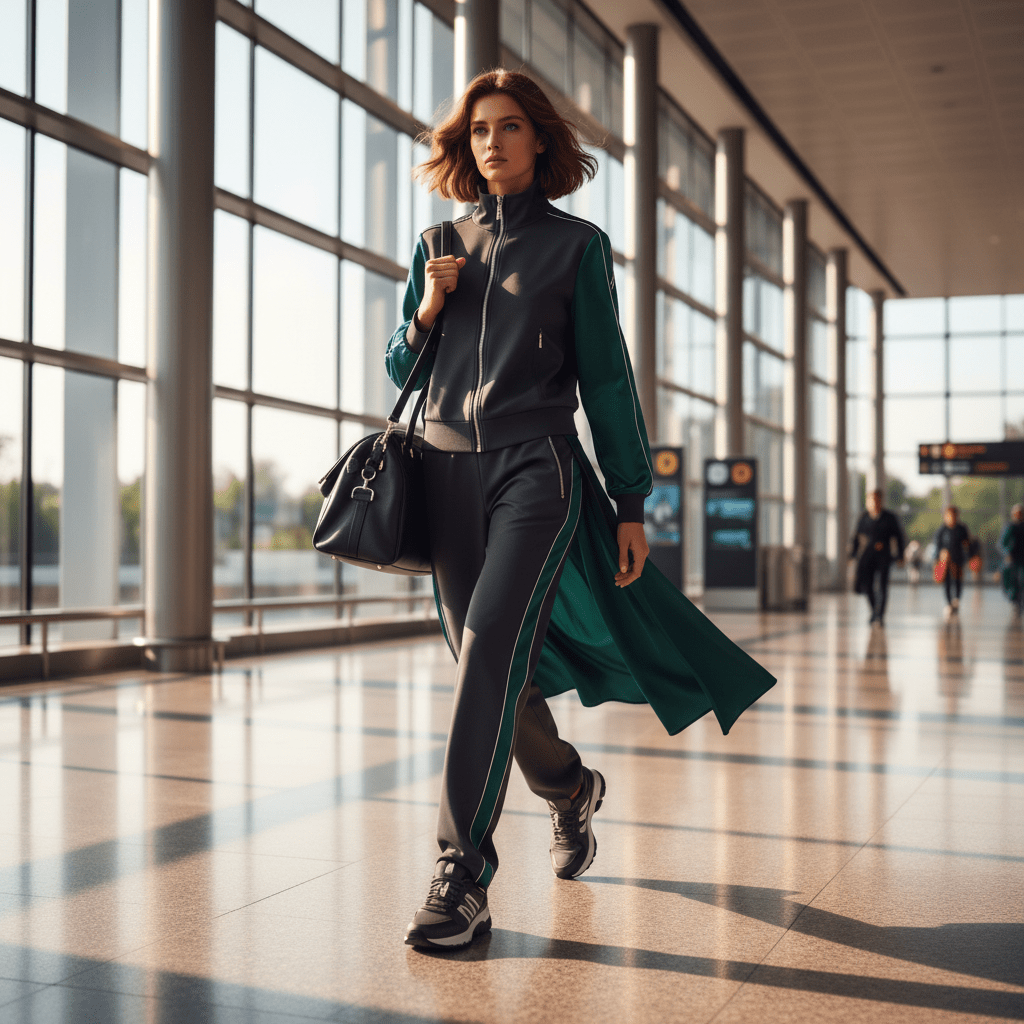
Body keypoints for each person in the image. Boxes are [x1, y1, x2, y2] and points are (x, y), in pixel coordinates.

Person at [385, 70, 776, 950]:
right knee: (490, 670)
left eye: (509, 126)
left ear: (539, 140)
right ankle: (569, 788)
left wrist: (632, 500)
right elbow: (399, 368)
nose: (492, 142)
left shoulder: (576, 247)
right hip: (444, 476)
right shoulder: (437, 243)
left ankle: (461, 876)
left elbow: (606, 380)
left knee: (490, 645)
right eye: (479, 130)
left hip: (538, 471)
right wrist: (427, 311)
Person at [849, 489, 906, 625]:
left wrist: (900, 556)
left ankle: (880, 615)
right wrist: (852, 555)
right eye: (871, 500)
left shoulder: (890, 518)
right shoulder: (864, 518)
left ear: (881, 501)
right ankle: (874, 611)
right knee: (867, 586)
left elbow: (899, 537)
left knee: (882, 585)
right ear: (867, 502)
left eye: (876, 500)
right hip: (867, 556)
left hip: (883, 556)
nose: (874, 503)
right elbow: (856, 538)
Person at [934, 506, 970, 617]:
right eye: (949, 515)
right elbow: (937, 547)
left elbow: (967, 544)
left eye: (954, 515)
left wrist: (970, 556)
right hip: (945, 562)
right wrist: (938, 558)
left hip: (958, 560)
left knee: (958, 581)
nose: (951, 518)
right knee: (947, 583)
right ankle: (949, 603)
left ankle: (956, 600)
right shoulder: (941, 531)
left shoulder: (962, 529)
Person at [1000, 503, 1024, 614]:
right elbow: (1002, 543)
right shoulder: (1010, 527)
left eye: (1020, 513)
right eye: (1016, 513)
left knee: (1021, 580)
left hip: (1022, 559)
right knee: (1012, 580)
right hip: (1013, 559)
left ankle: (1019, 602)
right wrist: (1007, 553)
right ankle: (1015, 601)